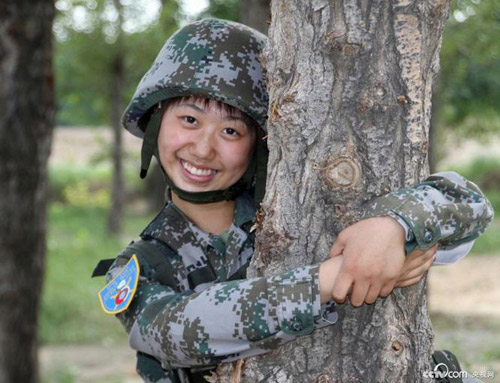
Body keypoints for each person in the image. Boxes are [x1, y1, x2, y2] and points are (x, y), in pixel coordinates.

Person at [92, 19, 493, 383]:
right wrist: (338, 276)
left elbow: (469, 205)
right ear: (157, 123)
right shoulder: (141, 266)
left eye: (231, 131)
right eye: (190, 120)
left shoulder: (299, 208)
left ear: (259, 145)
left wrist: (397, 226)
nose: (203, 148)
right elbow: (175, 332)